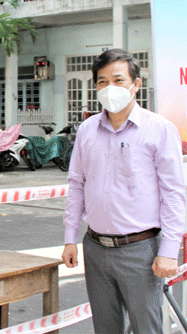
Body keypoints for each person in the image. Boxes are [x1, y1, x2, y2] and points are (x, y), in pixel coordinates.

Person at [61, 49, 186, 334]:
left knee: (146, 327)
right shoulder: (87, 130)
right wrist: (70, 238)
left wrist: (168, 250)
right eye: (102, 82)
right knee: (105, 327)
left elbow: (174, 194)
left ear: (136, 84)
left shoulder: (160, 129)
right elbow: (76, 185)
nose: (110, 88)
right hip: (95, 248)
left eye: (118, 80)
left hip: (140, 251)